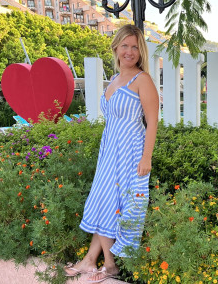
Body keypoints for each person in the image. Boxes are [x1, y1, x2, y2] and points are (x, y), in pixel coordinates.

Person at [65, 24, 159, 282]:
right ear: (116, 48)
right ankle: (90, 260)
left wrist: (146, 157)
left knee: (110, 203)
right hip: (109, 151)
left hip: (130, 152)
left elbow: (152, 121)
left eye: (135, 47)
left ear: (140, 52)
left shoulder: (142, 80)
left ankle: (109, 264)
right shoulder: (115, 79)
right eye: (125, 45)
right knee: (103, 201)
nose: (129, 51)